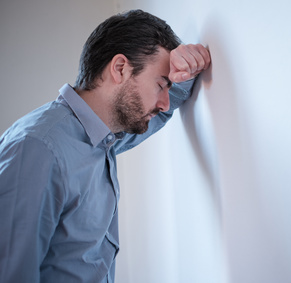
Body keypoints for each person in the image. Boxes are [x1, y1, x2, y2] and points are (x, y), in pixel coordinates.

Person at [0, 9, 211, 283]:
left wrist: (188, 67)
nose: (164, 103)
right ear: (120, 68)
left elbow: (166, 110)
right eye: (161, 85)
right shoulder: (38, 148)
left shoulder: (103, 137)